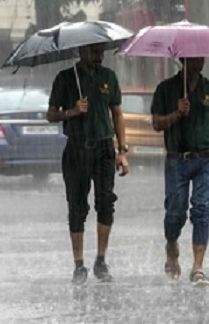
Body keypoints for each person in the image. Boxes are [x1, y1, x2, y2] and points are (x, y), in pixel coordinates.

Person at [46, 43, 129, 284]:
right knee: (77, 207)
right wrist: (71, 112)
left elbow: (117, 113)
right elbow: (51, 114)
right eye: (94, 52)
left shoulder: (109, 77)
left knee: (105, 204)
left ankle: (101, 260)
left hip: (104, 149)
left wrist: (122, 150)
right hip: (76, 150)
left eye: (101, 52)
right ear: (80, 52)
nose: (99, 57)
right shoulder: (65, 79)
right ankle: (78, 265)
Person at [150, 57, 209, 288]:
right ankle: (171, 244)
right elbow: (156, 123)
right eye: (193, 58)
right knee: (176, 213)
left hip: (206, 159)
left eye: (202, 57)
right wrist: (176, 113)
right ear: (182, 59)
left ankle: (198, 268)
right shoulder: (165, 89)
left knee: (201, 209)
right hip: (177, 160)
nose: (199, 62)